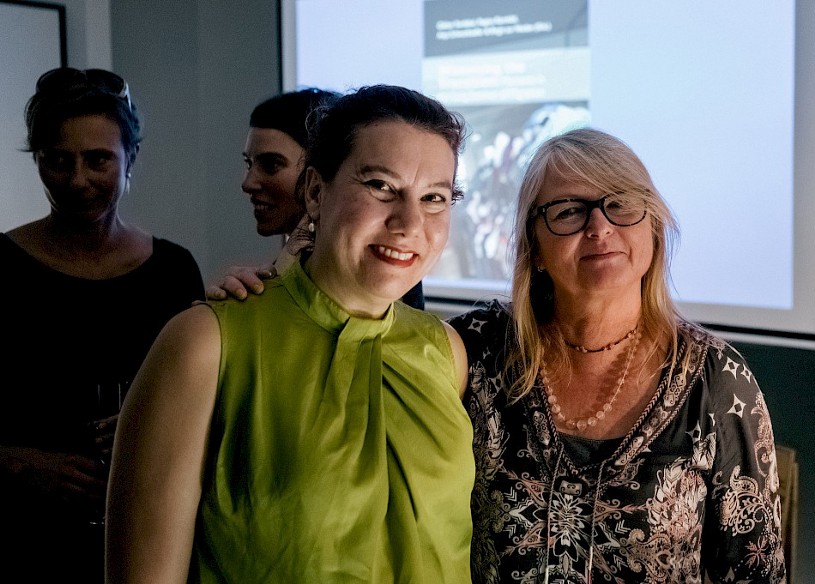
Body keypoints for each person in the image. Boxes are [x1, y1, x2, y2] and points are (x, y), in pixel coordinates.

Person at [105, 85, 474, 583]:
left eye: (434, 197)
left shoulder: (444, 351)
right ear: (317, 191)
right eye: (382, 187)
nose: (410, 223)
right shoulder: (206, 344)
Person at [448, 128, 785, 583]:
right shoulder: (479, 350)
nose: (600, 227)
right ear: (536, 248)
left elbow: (755, 572)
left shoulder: (717, 380)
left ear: (654, 229)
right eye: (568, 211)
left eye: (621, 204)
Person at [0, 67, 204, 582]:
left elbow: (205, 403)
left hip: (142, 527)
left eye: (98, 160)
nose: (77, 180)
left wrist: (148, 426)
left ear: (129, 159)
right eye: (57, 161)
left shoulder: (173, 270)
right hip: (20, 533)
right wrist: (20, 462)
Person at [212, 88, 426, 309]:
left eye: (271, 164)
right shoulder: (277, 275)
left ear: (316, 181)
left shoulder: (380, 267)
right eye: (249, 164)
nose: (247, 183)